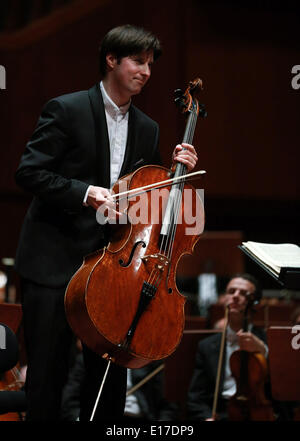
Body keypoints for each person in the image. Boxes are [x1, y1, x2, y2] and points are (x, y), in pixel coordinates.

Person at [14, 24, 198, 421]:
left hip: (111, 269)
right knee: (48, 376)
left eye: (150, 64)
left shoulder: (148, 128)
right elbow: (29, 172)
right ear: (112, 60)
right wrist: (85, 193)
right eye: (138, 61)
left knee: (109, 383)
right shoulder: (66, 109)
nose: (146, 71)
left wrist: (175, 171)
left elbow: (145, 200)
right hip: (53, 262)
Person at [186, 273, 269, 421]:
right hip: (221, 413)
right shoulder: (206, 346)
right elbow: (196, 397)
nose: (236, 296)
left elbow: (282, 387)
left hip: (257, 412)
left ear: (256, 303)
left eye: (244, 293)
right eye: (231, 291)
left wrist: (263, 352)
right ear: (224, 299)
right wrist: (206, 417)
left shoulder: (268, 340)